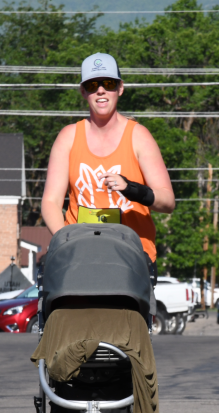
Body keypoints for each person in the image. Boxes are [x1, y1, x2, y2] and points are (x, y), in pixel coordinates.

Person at [41, 52, 175, 272]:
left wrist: (130, 188)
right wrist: (65, 243)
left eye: (108, 83)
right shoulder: (68, 137)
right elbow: (51, 202)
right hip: (79, 260)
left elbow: (168, 201)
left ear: (120, 88)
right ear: (83, 91)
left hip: (133, 262)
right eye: (93, 85)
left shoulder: (139, 136)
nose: (100, 90)